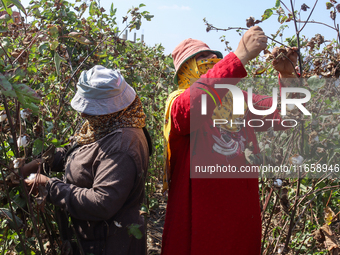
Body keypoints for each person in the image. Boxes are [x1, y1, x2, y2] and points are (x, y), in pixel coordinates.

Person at [162, 26, 298, 255]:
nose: (212, 59)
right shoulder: (178, 104)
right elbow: (194, 106)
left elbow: (286, 115)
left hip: (240, 215)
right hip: (200, 218)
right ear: (186, 69)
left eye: (213, 56)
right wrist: (240, 56)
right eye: (202, 57)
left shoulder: (238, 100)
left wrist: (288, 76)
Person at [23, 65, 151, 255]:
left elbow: (102, 203)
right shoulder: (108, 124)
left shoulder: (123, 146)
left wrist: (49, 187)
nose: (83, 114)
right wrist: (44, 161)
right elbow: (81, 150)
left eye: (91, 110)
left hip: (111, 244)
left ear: (113, 109)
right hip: (95, 238)